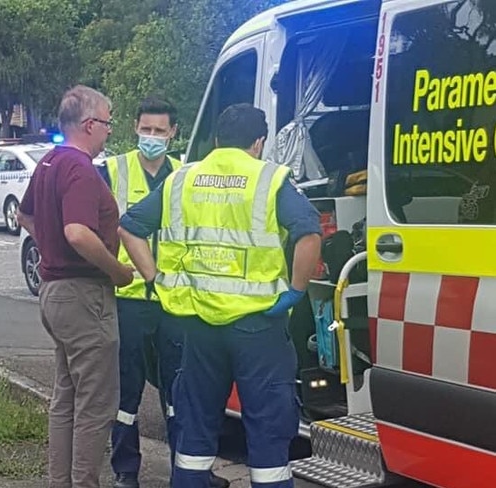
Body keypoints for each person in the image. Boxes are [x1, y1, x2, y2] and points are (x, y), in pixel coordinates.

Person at [117, 103, 322, 488]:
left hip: (198, 326)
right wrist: (295, 291)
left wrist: (156, 278)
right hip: (259, 328)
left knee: (195, 427)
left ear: (215, 140)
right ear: (258, 142)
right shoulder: (269, 179)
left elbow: (129, 228)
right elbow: (308, 235)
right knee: (267, 432)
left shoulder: (183, 179)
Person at [95, 96, 230, 488]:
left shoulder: (187, 176)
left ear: (174, 133)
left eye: (160, 130)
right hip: (130, 299)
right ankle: (126, 472)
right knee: (127, 393)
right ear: (134, 127)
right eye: (145, 129)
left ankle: (187, 471)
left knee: (181, 392)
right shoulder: (111, 171)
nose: (151, 136)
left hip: (175, 301)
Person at [16, 85, 134, 488]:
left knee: (66, 397)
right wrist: (116, 269)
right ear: (89, 125)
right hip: (84, 295)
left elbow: (24, 214)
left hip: (54, 293)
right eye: (108, 122)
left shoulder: (49, 162)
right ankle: (85, 482)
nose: (109, 131)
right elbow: (78, 233)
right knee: (96, 404)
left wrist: (49, 248)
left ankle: (60, 481)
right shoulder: (81, 169)